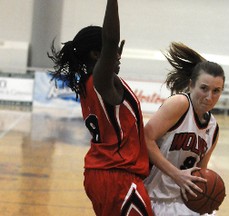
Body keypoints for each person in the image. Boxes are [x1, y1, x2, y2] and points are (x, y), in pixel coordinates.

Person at [47, 0, 153, 215]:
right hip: (117, 176)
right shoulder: (101, 80)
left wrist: (112, 56)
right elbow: (111, 39)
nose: (117, 53)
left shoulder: (94, 82)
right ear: (97, 55)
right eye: (110, 51)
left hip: (105, 174)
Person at [144, 42, 225, 216]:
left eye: (216, 91)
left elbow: (201, 174)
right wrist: (176, 175)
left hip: (183, 203)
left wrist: (207, 197)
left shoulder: (213, 128)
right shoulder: (180, 104)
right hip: (152, 198)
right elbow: (145, 138)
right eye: (204, 88)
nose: (209, 97)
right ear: (191, 85)